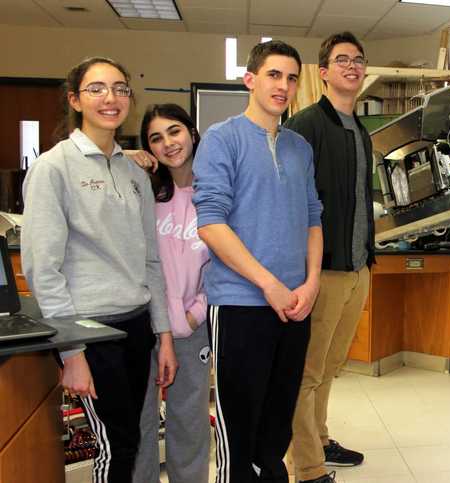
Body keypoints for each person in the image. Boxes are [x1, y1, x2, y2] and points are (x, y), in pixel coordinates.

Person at [21, 56, 177, 482]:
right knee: (117, 443)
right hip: (91, 333)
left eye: (120, 88)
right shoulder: (53, 168)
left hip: (138, 326)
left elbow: (150, 261)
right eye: (97, 89)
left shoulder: (134, 174)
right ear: (75, 99)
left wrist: (162, 336)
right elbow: (42, 269)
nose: (110, 98)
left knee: (132, 438)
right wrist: (71, 353)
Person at [192, 40, 323, 483]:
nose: (283, 86)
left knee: (277, 425)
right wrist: (268, 283)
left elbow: (313, 219)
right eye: (273, 75)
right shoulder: (221, 139)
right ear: (250, 79)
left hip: (294, 306)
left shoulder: (300, 148)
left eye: (290, 78)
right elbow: (210, 223)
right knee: (240, 429)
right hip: (240, 304)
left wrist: (311, 283)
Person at [284, 31, 374, 483]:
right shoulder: (305, 126)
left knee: (331, 367)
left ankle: (318, 437)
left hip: (358, 268)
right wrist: (305, 273)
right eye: (342, 60)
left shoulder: (360, 130)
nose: (352, 67)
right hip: (323, 271)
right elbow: (291, 201)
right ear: (323, 73)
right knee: (307, 372)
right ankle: (306, 466)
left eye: (358, 60)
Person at [128, 104, 211, 483]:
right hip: (144, 324)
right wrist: (123, 156)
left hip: (193, 329)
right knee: (141, 422)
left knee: (189, 422)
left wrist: (195, 313)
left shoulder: (216, 189)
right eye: (155, 138)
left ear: (192, 133)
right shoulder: (142, 190)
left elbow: (225, 265)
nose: (168, 143)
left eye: (174, 131)